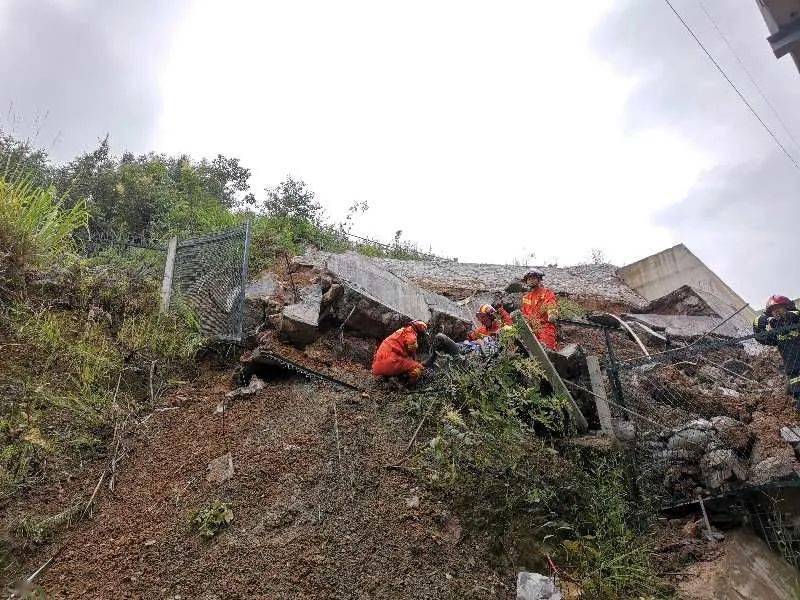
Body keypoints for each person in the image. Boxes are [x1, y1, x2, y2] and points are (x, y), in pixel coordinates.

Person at [754, 295, 800, 409]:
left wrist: (794, 316)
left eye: (779, 308)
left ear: (786, 307)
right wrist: (757, 326)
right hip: (793, 371)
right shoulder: (776, 332)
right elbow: (762, 338)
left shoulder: (797, 320)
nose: (776, 312)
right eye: (773, 311)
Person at [372, 320, 429, 384]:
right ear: (419, 330)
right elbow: (412, 345)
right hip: (391, 362)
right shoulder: (410, 332)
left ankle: (390, 378)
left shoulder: (401, 331)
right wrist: (414, 357)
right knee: (419, 368)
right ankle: (407, 385)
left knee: (406, 363)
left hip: (377, 366)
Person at [520, 269, 559, 349]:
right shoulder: (525, 297)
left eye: (533, 278)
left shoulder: (546, 293)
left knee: (546, 350)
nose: (531, 281)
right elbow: (524, 314)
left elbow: (551, 303)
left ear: (539, 279)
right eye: (529, 279)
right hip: (530, 329)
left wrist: (552, 313)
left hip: (545, 327)